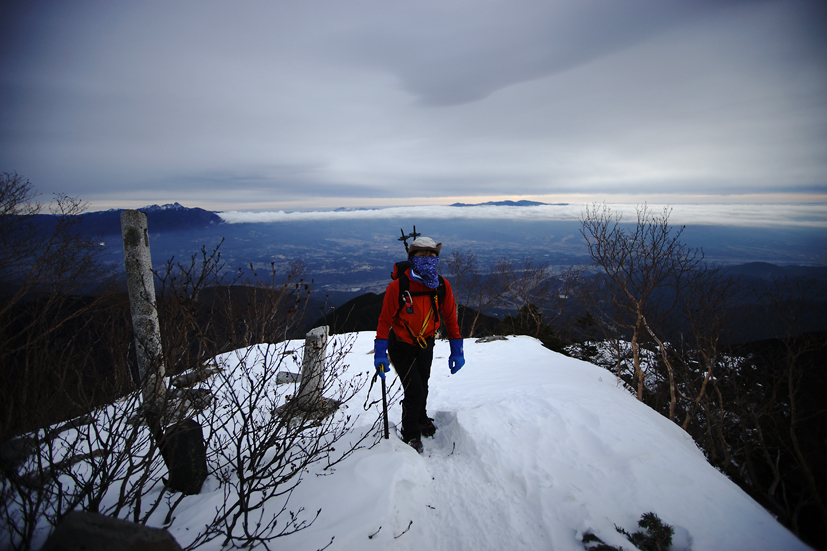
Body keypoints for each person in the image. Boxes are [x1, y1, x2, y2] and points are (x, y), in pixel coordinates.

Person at [374, 236, 464, 453]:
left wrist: (457, 350)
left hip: (427, 344)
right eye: (421, 255)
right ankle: (411, 432)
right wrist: (380, 353)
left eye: (432, 255)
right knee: (414, 389)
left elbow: (450, 317)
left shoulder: (441, 285)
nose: (427, 259)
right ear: (412, 257)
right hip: (401, 345)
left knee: (422, 384)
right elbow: (385, 320)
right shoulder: (398, 286)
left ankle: (421, 418)